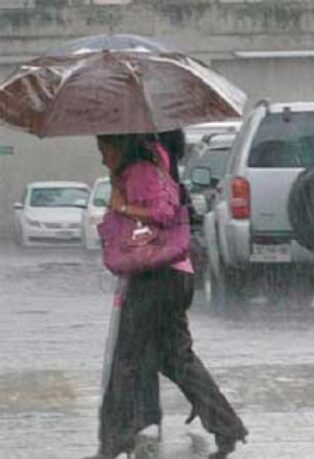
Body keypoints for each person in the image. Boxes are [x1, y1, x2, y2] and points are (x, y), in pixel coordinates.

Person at [90, 134, 248, 459]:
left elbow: (163, 212)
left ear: (119, 145)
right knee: (176, 358)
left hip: (155, 277)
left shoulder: (140, 170)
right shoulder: (151, 162)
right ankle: (226, 426)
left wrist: (121, 205)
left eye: (103, 149)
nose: (102, 157)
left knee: (127, 359)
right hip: (174, 275)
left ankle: (114, 441)